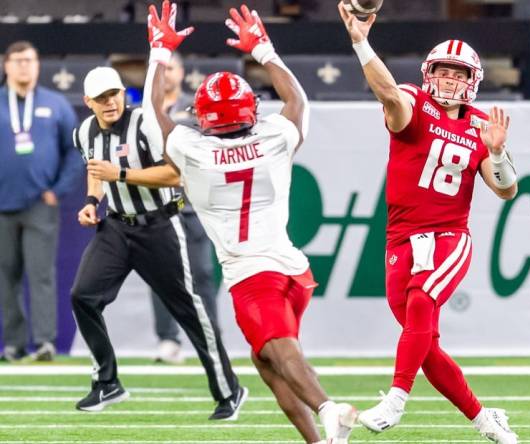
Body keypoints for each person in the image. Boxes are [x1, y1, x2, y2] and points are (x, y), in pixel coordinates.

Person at [131, 2, 357, 443]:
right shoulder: (274, 135)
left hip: (252, 275)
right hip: (293, 270)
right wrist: (265, 51)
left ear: (205, 117)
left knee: (279, 349)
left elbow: (149, 117)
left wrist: (159, 53)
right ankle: (320, 440)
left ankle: (329, 409)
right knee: (266, 360)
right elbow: (297, 101)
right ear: (249, 109)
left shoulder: (193, 150)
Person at [338, 3, 520, 443]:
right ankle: (485, 420)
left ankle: (395, 401)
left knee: (421, 301)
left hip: (449, 236)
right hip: (401, 237)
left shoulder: (480, 125)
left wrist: (495, 153)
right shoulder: (413, 104)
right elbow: (386, 93)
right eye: (444, 71)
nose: (450, 80)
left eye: (459, 74)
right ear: (428, 72)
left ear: (472, 81)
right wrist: (361, 42)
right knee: (425, 345)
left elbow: (506, 190)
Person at [70, 63, 246, 419]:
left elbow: (174, 175)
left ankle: (229, 390)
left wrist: (120, 174)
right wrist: (91, 201)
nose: (109, 103)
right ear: (88, 101)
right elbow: (96, 174)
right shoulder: (85, 132)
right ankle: (106, 381)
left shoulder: (145, 124)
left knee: (189, 311)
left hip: (158, 226)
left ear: (123, 93)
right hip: (117, 227)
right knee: (83, 296)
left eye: (114, 94)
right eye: (101, 98)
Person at [0, 40, 82, 362]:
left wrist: (58, 189)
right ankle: (14, 344)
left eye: (30, 60)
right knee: (6, 276)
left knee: (41, 274)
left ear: (37, 65)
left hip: (39, 203)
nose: (24, 66)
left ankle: (45, 342)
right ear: (6, 65)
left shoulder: (55, 104)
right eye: (18, 60)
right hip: (2, 204)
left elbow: (74, 149)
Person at [149, 51, 220, 365]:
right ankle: (168, 339)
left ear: (182, 72)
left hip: (192, 204)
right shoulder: (143, 112)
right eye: (160, 70)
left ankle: (210, 336)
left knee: (202, 273)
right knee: (163, 274)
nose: (166, 75)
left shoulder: (196, 108)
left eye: (171, 68)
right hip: (157, 204)